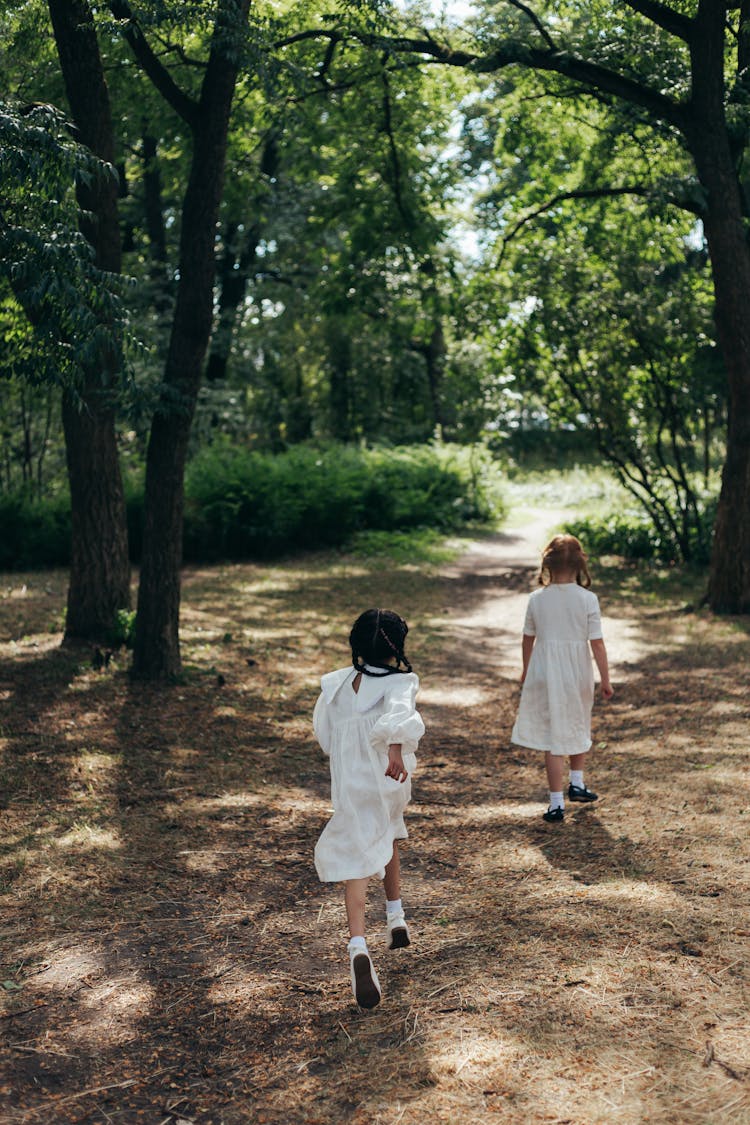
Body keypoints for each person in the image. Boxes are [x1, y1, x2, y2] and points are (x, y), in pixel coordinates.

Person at [313, 608, 424, 1009]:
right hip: (387, 776)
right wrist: (394, 749)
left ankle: (358, 944)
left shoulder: (336, 686)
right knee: (389, 828)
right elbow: (400, 717)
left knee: (359, 852)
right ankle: (396, 918)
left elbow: (325, 735)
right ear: (397, 649)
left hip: (350, 781)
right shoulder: (400, 681)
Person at [511, 534, 613, 822]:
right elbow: (598, 644)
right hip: (578, 671)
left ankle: (557, 802)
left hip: (544, 671)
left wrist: (526, 669)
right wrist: (605, 679)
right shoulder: (587, 599)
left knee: (552, 736)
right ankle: (577, 782)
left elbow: (527, 638)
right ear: (581, 564)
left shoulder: (537, 599)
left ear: (548, 563)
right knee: (579, 721)